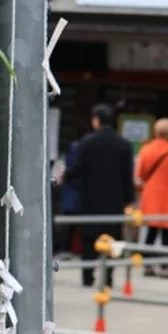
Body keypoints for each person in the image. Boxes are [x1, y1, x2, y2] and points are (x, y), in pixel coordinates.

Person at [64, 103, 135, 288]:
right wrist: (129, 199)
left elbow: (76, 169)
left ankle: (88, 277)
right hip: (114, 200)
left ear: (96, 120)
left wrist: (66, 176)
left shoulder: (87, 142)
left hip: (90, 198)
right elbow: (128, 176)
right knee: (111, 239)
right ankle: (108, 277)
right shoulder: (124, 145)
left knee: (88, 240)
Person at [137, 118, 168, 278]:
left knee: (150, 232)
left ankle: (147, 265)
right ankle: (164, 267)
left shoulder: (146, 149)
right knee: (167, 234)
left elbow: (140, 174)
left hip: (150, 195)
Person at [56, 130, 86, 255]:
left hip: (71, 190)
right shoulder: (80, 147)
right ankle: (69, 248)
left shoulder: (74, 147)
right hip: (76, 191)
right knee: (74, 223)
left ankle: (66, 248)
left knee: (68, 223)